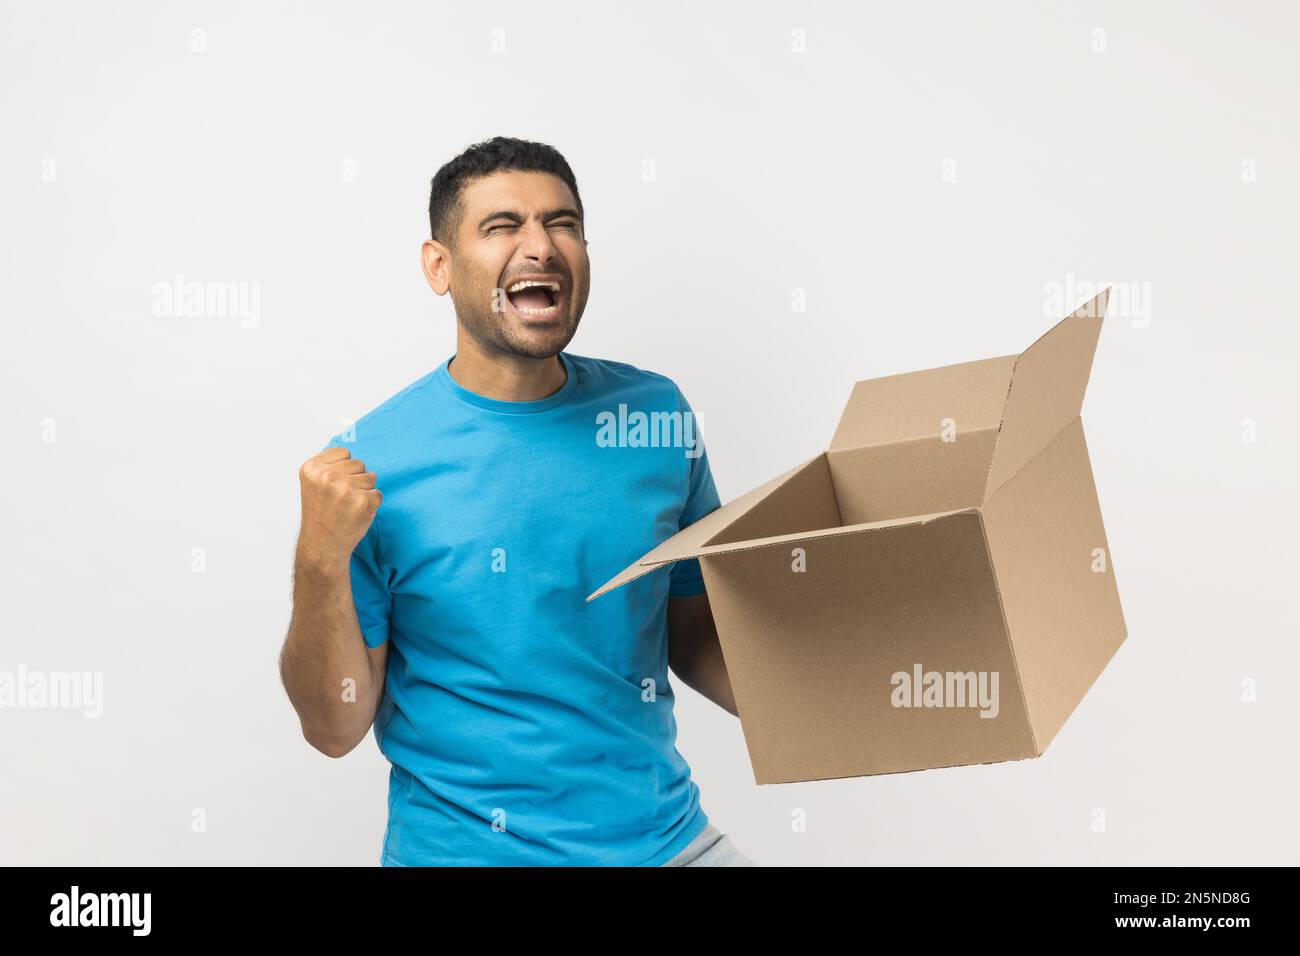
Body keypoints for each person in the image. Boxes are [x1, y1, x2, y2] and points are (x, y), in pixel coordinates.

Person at [279, 136, 757, 867]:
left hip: (665, 842)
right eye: (502, 227)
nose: (541, 245)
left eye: (562, 224)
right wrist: (319, 557)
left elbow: (692, 633)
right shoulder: (372, 466)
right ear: (438, 266)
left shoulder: (655, 420)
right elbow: (335, 726)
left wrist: (822, 701)